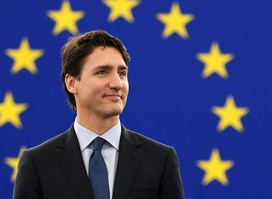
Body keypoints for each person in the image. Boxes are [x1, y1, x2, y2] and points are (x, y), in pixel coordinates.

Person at [13, 30, 185, 199]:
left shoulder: (160, 160)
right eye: (102, 72)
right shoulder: (37, 163)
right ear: (72, 83)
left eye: (122, 73)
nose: (117, 84)